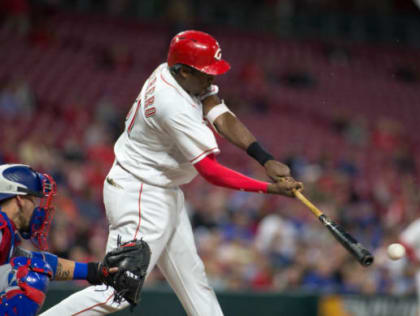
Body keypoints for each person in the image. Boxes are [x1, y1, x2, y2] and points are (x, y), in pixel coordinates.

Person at [40, 30, 302, 315]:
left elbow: (217, 111)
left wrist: (264, 158)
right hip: (139, 193)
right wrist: (269, 188)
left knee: (195, 283)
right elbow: (210, 172)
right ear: (184, 72)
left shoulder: (177, 73)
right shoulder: (172, 103)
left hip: (161, 190)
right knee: (117, 291)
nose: (212, 78)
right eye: (206, 72)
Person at [0, 164, 121, 316]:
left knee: (34, 266)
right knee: (29, 276)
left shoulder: (5, 231)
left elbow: (44, 263)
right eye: (33, 199)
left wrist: (95, 271)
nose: (37, 208)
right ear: (20, 199)